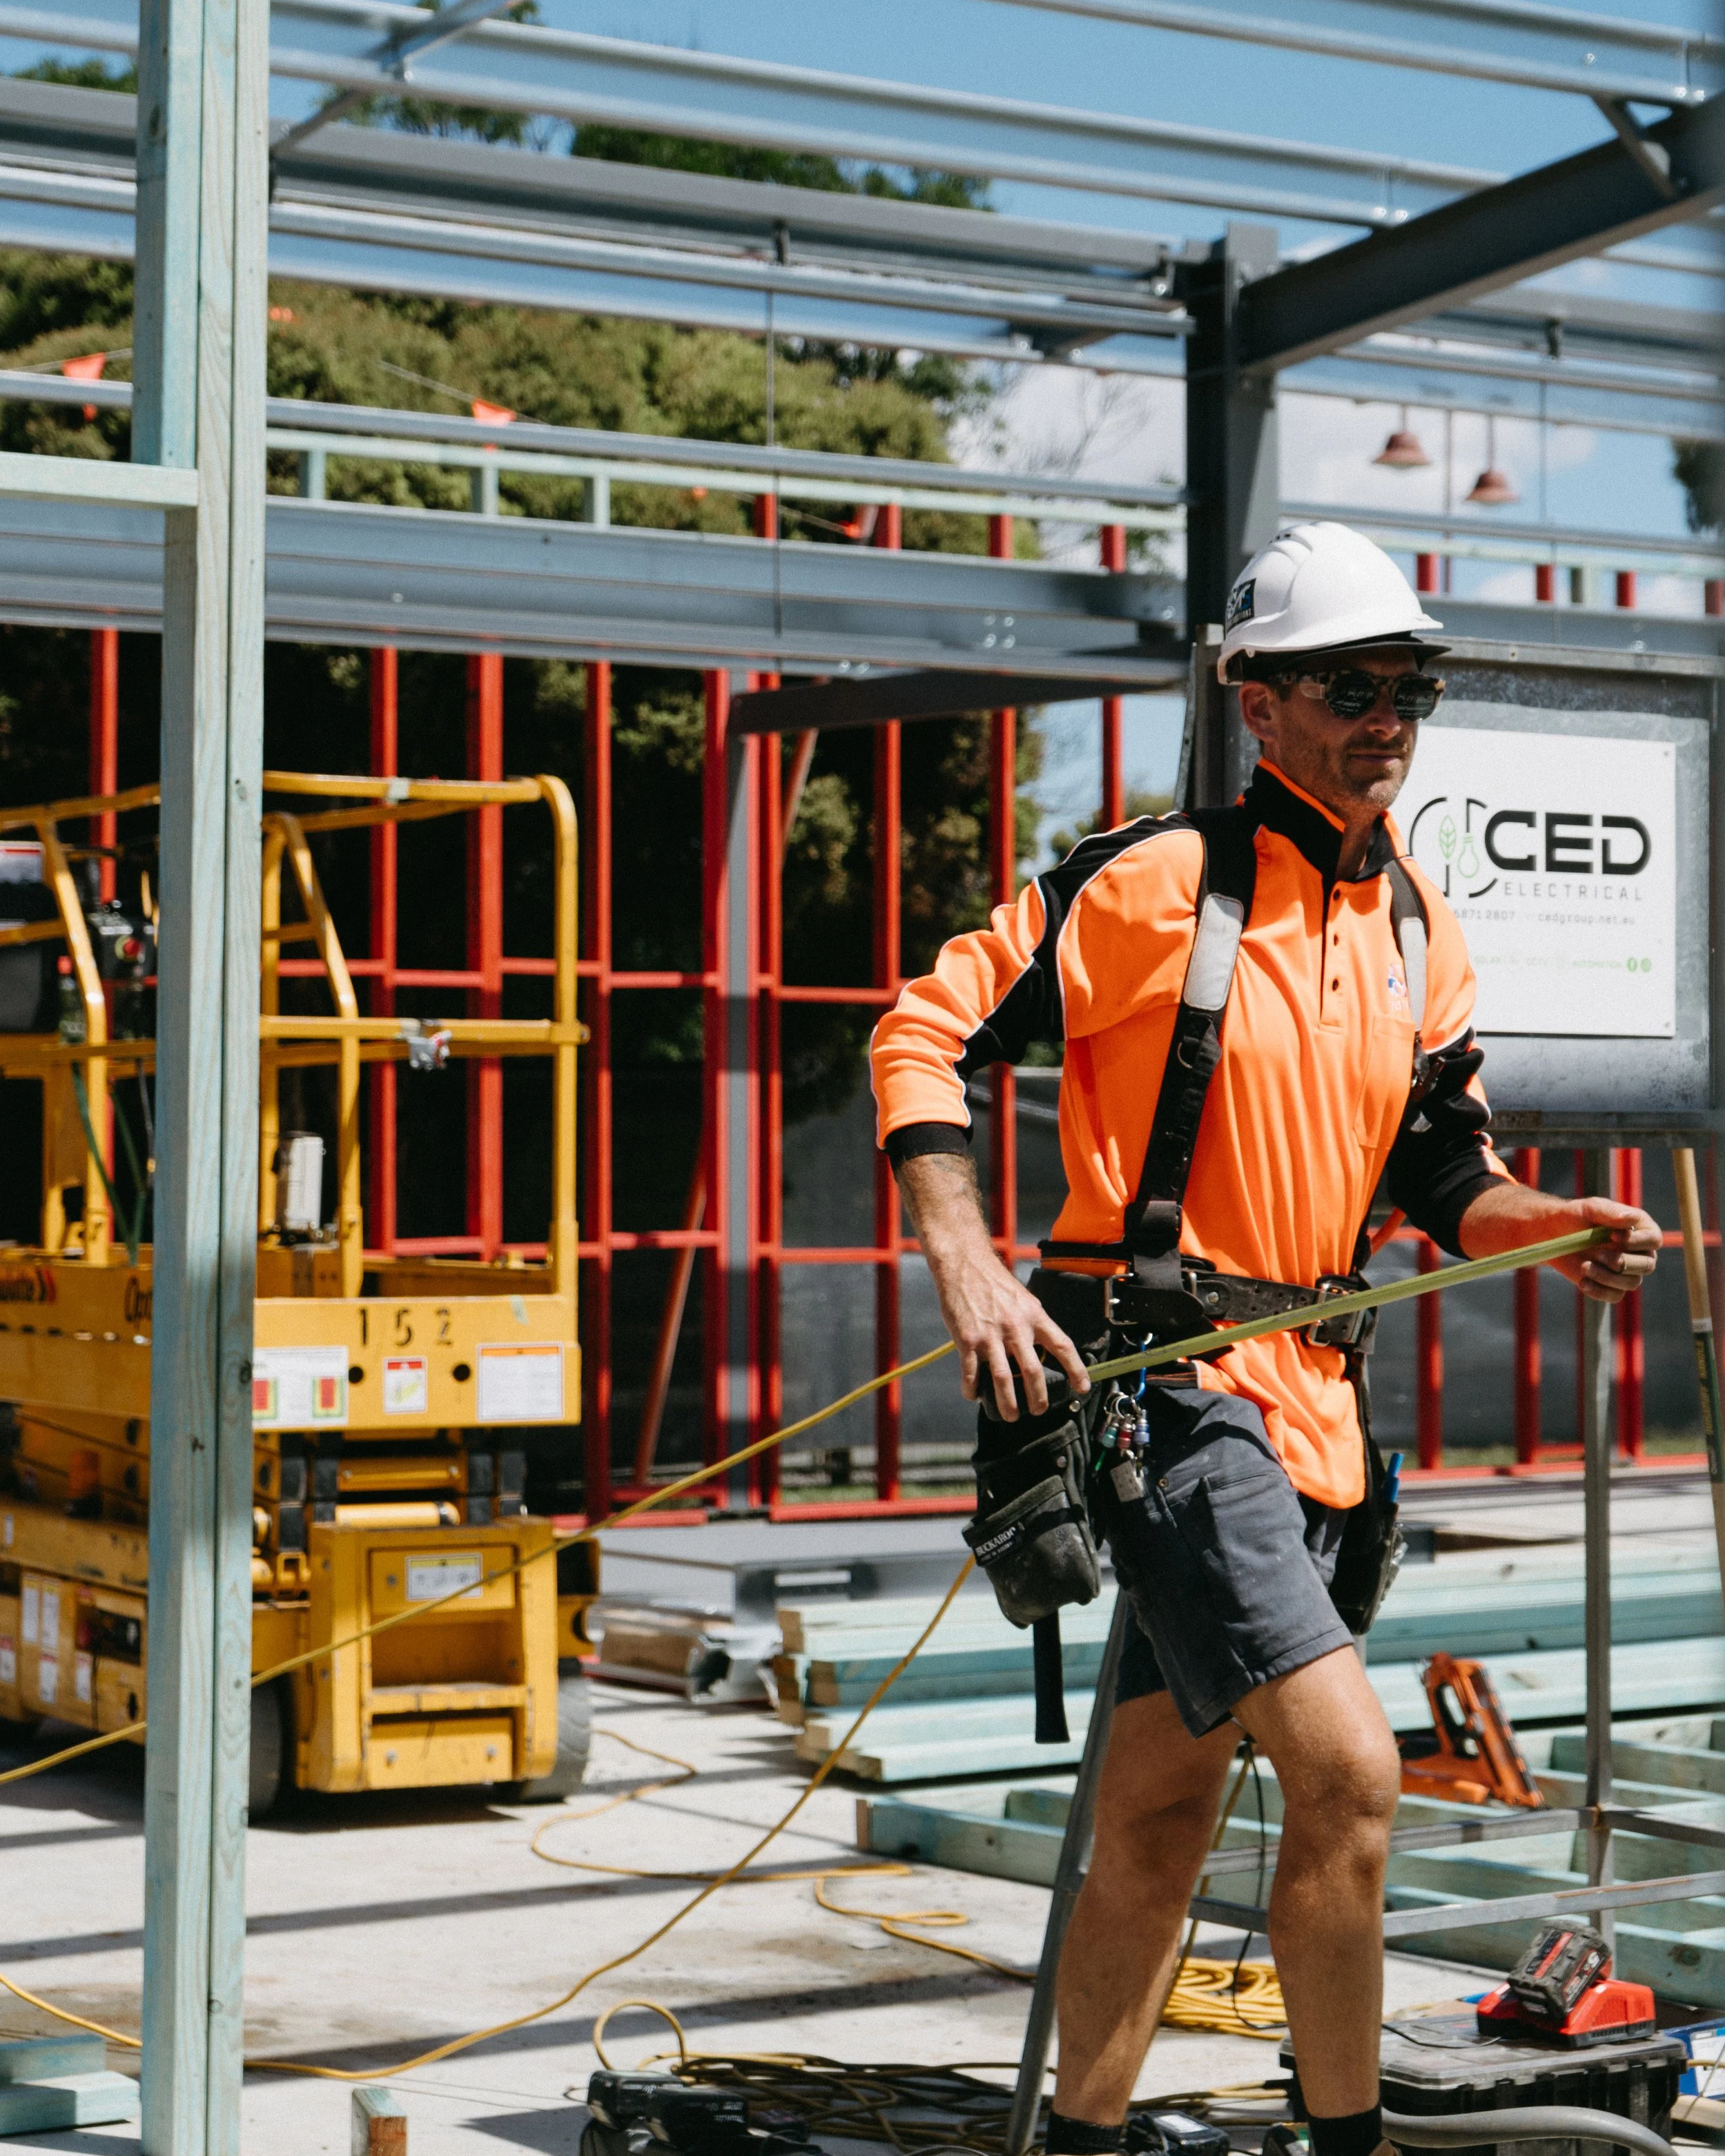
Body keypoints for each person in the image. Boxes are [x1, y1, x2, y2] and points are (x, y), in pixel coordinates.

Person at [869, 522, 1659, 2156]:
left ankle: (1076, 2141)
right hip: (1169, 1402)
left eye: (1412, 687)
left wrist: (1557, 1226)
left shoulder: (1414, 925)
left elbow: (1444, 1170)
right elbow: (923, 1027)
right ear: (1260, 704)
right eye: (1355, 685)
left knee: (1158, 1815)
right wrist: (965, 1260)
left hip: (1314, 1426)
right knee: (1354, 1776)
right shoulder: (1155, 882)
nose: (1392, 716)